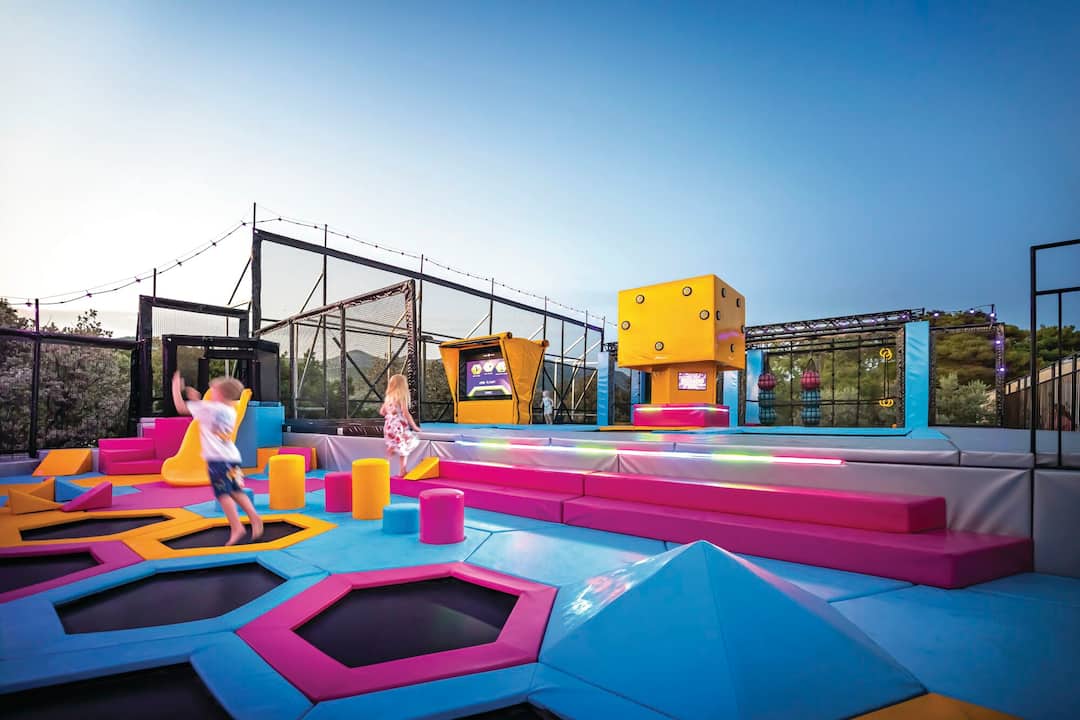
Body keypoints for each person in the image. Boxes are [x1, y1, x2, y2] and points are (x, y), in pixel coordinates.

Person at [171, 371, 263, 546]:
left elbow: (181, 408)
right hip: (232, 457)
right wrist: (198, 401)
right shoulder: (230, 410)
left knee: (222, 494)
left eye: (213, 390)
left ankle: (237, 527)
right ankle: (255, 519)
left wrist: (176, 388)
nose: (210, 393)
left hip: (218, 460)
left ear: (220, 393)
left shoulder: (209, 409)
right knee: (235, 490)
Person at [380, 373, 420, 476]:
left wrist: (390, 413)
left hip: (389, 426)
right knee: (407, 444)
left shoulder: (388, 397)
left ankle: (383, 469)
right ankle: (402, 470)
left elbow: (382, 412)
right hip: (398, 426)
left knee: (396, 448)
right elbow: (405, 413)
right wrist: (414, 426)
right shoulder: (401, 397)